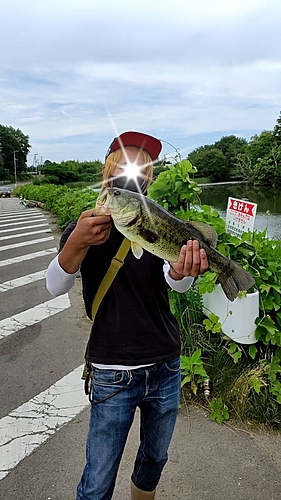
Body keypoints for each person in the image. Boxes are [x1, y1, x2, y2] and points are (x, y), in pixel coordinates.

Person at [46, 131, 209, 500]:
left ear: (148, 176)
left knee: (155, 458)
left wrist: (183, 271)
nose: (131, 169)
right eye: (123, 159)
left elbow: (175, 284)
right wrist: (76, 243)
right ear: (107, 167)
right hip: (111, 369)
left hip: (166, 364)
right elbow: (55, 286)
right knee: (99, 475)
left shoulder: (161, 221)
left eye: (141, 164)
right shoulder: (85, 226)